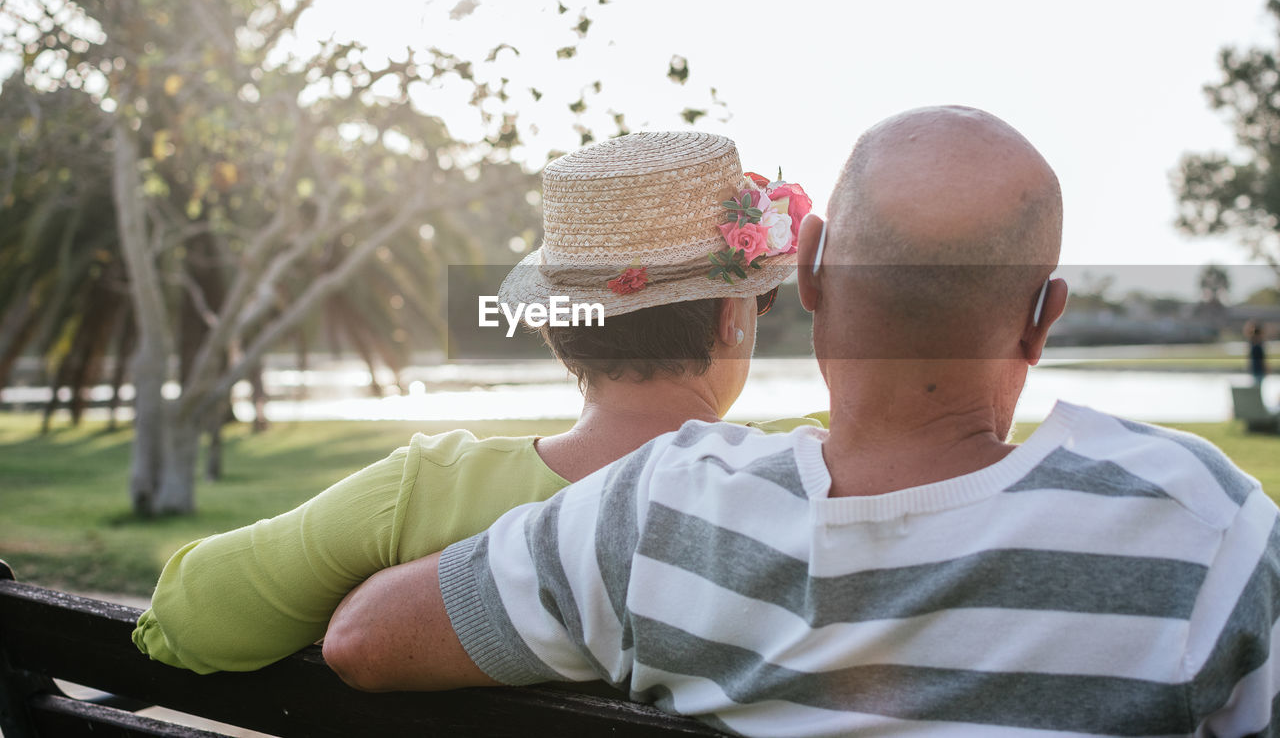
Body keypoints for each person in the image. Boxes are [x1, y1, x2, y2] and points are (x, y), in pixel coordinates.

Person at [324, 106, 1280, 736]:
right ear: (1044, 318)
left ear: (811, 272)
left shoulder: (661, 514)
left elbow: (361, 639)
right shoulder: (1207, 532)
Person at [132, 130, 821, 673]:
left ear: (559, 328)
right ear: (733, 317)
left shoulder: (426, 492)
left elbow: (186, 621)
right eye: (759, 298)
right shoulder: (815, 471)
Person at [1248, 320, 1268, 386]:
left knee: (1257, 386)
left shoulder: (1253, 343)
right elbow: (1262, 359)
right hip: (1258, 370)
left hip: (1256, 370)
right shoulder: (1257, 345)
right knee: (1257, 386)